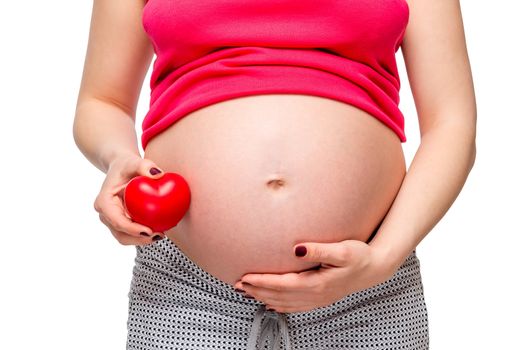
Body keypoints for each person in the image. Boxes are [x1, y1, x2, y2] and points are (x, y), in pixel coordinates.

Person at [73, 0, 476, 349]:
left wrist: (382, 259)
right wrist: (118, 158)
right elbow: (102, 100)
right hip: (187, 288)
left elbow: (452, 124)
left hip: (367, 289)